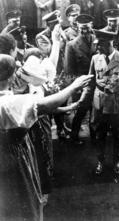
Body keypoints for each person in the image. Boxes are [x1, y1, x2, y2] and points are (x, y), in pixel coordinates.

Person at [0, 51, 93, 220]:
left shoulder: (8, 99)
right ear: (11, 77)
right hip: (10, 157)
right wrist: (73, 86)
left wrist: (69, 107)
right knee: (19, 201)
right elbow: (41, 106)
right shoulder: (7, 103)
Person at [80, 29, 119, 181]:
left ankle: (117, 161)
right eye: (97, 44)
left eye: (101, 44)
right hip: (99, 102)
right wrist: (85, 99)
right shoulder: (95, 58)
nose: (97, 47)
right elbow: (91, 81)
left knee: (117, 134)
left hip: (116, 103)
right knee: (98, 133)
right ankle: (100, 161)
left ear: (111, 42)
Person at [64, 14, 96, 145]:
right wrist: (75, 88)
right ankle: (74, 137)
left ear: (92, 26)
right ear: (77, 27)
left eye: (87, 28)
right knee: (80, 112)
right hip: (82, 84)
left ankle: (94, 139)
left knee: (95, 114)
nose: (85, 31)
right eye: (82, 28)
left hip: (98, 83)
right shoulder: (71, 45)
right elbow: (68, 70)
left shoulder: (97, 40)